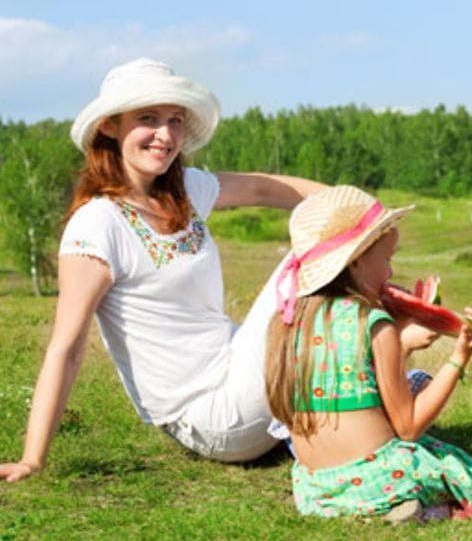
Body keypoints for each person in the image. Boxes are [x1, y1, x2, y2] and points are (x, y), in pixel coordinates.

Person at [0, 58, 335, 483]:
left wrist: (348, 202)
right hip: (211, 416)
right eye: (148, 119)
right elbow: (66, 349)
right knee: (315, 252)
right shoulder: (97, 224)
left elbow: (263, 188)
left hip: (238, 370)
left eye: (175, 120)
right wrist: (32, 459)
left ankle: (382, 398)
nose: (166, 134)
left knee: (337, 234)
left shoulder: (184, 191)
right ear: (110, 126)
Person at [264, 185, 472, 519]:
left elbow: (363, 391)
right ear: (358, 259)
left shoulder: (287, 321)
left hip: (315, 488)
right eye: (387, 259)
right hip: (380, 476)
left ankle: (378, 508)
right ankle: (418, 509)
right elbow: (408, 427)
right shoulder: (374, 324)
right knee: (469, 471)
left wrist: (401, 340)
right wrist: (459, 357)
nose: (391, 273)